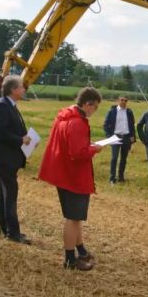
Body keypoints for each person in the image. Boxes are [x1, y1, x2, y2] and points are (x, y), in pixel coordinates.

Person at [38, 87, 105, 271]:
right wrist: (94, 149)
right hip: (73, 176)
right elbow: (77, 153)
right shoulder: (77, 122)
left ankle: (80, 250)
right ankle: (70, 259)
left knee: (75, 218)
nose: (94, 111)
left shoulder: (65, 117)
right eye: (95, 107)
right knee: (72, 218)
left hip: (64, 174)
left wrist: (87, 146)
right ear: (87, 104)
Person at [0, 74, 31, 244]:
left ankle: (5, 228)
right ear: (13, 90)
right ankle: (13, 233)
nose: (24, 89)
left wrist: (26, 139)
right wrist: (20, 140)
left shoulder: (10, 105)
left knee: (5, 194)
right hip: (4, 158)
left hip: (8, 158)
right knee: (10, 195)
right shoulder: (2, 106)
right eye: (21, 87)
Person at [103, 95, 136, 184]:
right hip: (115, 137)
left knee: (123, 159)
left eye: (125, 100)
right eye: (122, 100)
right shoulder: (112, 111)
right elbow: (105, 125)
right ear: (118, 100)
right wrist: (109, 136)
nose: (123, 102)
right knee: (114, 158)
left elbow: (132, 125)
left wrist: (133, 136)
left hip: (126, 137)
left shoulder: (129, 112)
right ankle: (112, 178)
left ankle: (121, 177)